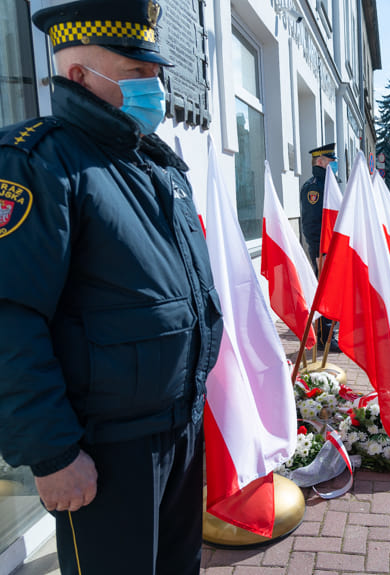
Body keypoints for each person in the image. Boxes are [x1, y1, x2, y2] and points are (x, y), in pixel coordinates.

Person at [0, 2, 223, 574]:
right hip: (103, 453)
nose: (155, 88)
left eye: (155, 73)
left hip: (177, 429)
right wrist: (52, 453)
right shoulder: (39, 163)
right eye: (136, 74)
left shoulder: (156, 165)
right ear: (78, 76)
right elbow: (9, 317)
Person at [300, 143, 340, 349]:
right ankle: (325, 338)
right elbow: (311, 223)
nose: (335, 165)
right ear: (320, 162)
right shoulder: (314, 187)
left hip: (334, 247)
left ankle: (333, 332)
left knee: (333, 289)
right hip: (322, 249)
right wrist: (317, 251)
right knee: (324, 290)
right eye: (332, 162)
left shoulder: (330, 184)